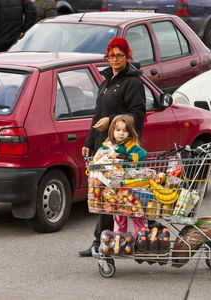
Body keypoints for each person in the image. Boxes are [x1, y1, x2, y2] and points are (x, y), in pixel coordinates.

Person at [79, 37, 147, 257]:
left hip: (122, 147)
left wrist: (113, 120)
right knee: (104, 194)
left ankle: (111, 240)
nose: (115, 59)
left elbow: (138, 115)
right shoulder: (107, 78)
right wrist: (89, 142)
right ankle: (102, 241)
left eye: (119, 55)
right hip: (104, 145)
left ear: (128, 56)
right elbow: (98, 115)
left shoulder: (133, 82)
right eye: (111, 55)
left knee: (116, 195)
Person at [96, 114, 148, 234]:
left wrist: (124, 158)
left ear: (130, 133)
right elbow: (99, 158)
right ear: (112, 130)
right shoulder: (108, 145)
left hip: (132, 186)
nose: (121, 133)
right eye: (118, 130)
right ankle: (119, 238)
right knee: (119, 214)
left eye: (125, 131)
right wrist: (103, 158)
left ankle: (142, 237)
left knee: (137, 213)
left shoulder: (132, 146)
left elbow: (141, 155)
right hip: (116, 187)